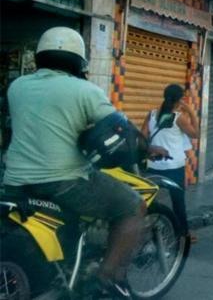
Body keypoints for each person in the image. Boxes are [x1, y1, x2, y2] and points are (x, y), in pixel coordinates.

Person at [2, 27, 143, 298]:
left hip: (15, 183)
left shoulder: (16, 87)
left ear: (40, 56)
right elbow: (119, 127)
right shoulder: (85, 91)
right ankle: (105, 277)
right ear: (79, 60)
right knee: (133, 206)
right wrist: (147, 146)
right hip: (63, 182)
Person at [141, 84, 198, 243]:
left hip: (154, 165)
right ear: (179, 100)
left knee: (151, 201)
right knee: (178, 202)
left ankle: (150, 232)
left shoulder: (151, 114)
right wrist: (191, 112)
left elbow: (142, 137)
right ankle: (184, 234)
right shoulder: (178, 117)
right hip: (174, 167)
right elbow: (195, 134)